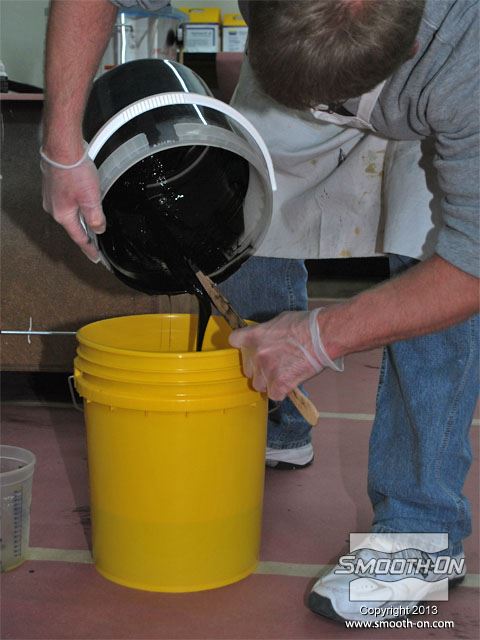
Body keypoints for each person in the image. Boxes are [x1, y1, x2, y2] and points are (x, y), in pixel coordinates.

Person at [41, 0, 479, 624]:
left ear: (408, 43)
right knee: (241, 199)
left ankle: (421, 536)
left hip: (439, 95)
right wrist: (61, 146)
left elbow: (471, 264)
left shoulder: (466, 53)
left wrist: (319, 338)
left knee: (429, 260)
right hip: (290, 74)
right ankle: (273, 424)